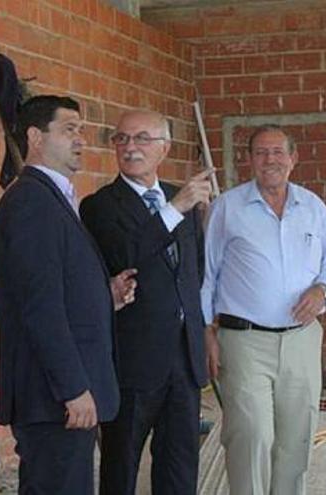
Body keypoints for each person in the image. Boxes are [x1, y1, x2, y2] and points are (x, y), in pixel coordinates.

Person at [0, 95, 137, 495]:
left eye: (83, 131)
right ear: (36, 137)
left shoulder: (52, 198)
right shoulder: (31, 202)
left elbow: (58, 289)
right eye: (69, 129)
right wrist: (73, 388)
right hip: (55, 398)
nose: (81, 139)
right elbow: (40, 308)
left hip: (61, 398)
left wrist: (104, 297)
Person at [201, 124, 326, 495]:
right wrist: (205, 332)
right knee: (251, 434)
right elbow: (206, 273)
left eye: (279, 152)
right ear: (250, 160)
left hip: (301, 339)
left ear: (293, 159)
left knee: (296, 438)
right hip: (244, 340)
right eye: (262, 153)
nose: (271, 160)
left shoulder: (313, 207)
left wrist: (324, 290)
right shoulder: (227, 208)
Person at [79, 109, 212, 495]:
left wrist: (202, 334)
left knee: (180, 467)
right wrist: (175, 211)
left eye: (141, 139)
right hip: (133, 361)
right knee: (121, 468)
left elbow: (194, 271)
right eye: (121, 139)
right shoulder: (100, 205)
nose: (129, 147)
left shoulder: (179, 199)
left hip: (183, 361)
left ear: (164, 148)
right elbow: (127, 254)